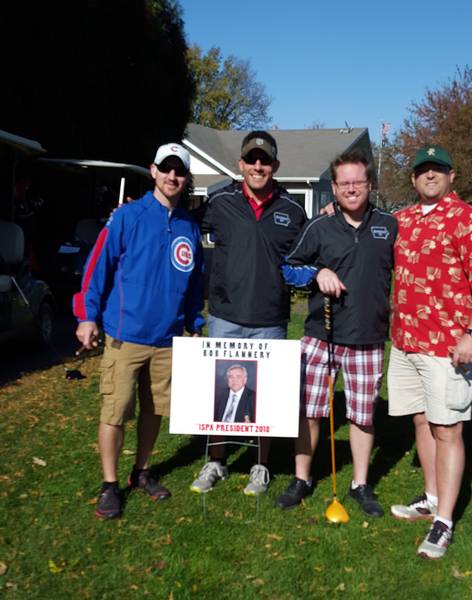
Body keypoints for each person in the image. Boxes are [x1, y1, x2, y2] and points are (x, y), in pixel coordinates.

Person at [74, 143, 204, 519]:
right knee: (115, 411)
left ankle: (141, 472)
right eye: (166, 168)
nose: (172, 176)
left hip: (167, 340)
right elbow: (98, 267)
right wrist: (87, 315)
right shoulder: (128, 217)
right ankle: (109, 484)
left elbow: (195, 283)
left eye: (179, 171)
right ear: (153, 171)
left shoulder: (188, 227)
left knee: (155, 410)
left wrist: (194, 322)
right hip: (125, 335)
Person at [387, 145, 472, 559]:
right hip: (405, 341)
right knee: (422, 420)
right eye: (423, 171)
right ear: (414, 179)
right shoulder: (402, 219)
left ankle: (444, 522)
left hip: (448, 346)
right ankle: (431, 498)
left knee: (448, 429)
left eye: (437, 170)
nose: (429, 176)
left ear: (452, 175)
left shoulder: (469, 220)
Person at [275, 150, 397, 517]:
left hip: (369, 337)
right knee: (310, 412)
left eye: (358, 182)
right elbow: (288, 266)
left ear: (370, 184)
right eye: (344, 183)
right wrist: (316, 273)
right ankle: (302, 478)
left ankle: (360, 484)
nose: (352, 189)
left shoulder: (390, 225)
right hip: (320, 334)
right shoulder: (319, 227)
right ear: (334, 188)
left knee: (362, 415)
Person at [189, 131, 307, 496]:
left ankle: (260, 466)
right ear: (240, 165)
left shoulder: (292, 210)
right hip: (224, 315)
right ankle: (216, 461)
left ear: (276, 166)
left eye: (265, 160)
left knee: (265, 399)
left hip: (270, 319)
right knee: (218, 395)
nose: (258, 166)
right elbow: (180, 223)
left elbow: (311, 251)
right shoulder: (218, 202)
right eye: (252, 160)